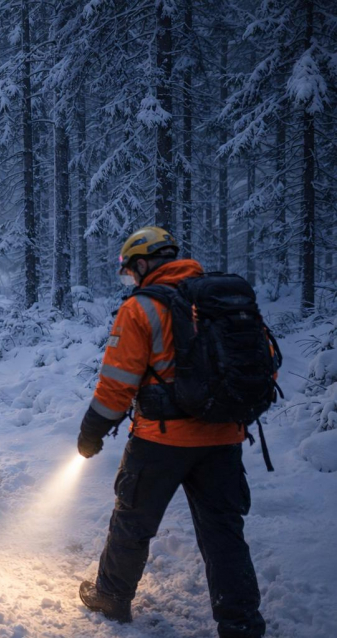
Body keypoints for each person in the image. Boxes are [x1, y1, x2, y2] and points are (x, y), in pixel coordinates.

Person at [76, 227, 266, 637]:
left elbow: (116, 383)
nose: (131, 279)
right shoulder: (222, 300)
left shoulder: (141, 308)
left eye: (130, 271)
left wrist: (91, 432)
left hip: (160, 440)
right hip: (223, 437)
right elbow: (261, 363)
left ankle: (111, 596)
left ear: (143, 263)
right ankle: (242, 623)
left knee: (132, 520)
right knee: (224, 534)